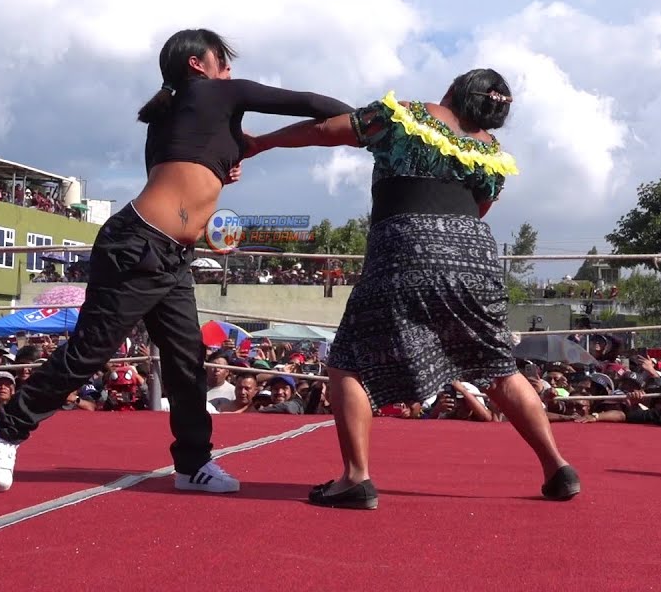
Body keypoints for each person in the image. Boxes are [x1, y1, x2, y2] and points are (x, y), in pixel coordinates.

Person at [0, 29, 354, 491]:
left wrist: (227, 163)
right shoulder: (216, 94)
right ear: (199, 64)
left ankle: (192, 463)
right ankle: (4, 428)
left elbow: (186, 171)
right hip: (139, 243)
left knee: (187, 360)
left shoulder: (183, 116)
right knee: (91, 351)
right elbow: (310, 103)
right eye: (223, 60)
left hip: (172, 255)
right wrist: (373, 119)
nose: (229, 70)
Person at [244, 69, 580, 508]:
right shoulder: (492, 150)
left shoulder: (407, 116)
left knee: (349, 361)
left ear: (454, 90)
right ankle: (558, 466)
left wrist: (262, 142)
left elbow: (328, 131)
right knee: (497, 365)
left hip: (405, 243)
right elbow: (480, 208)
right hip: (474, 255)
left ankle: (355, 478)